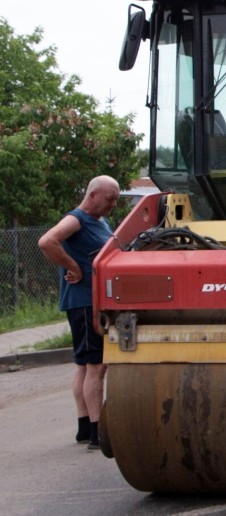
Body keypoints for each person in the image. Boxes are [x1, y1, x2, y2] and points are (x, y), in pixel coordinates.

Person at [38, 175, 120, 450]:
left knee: (84, 364)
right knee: (96, 365)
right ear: (93, 195)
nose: (113, 205)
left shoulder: (99, 221)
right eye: (110, 199)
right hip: (84, 303)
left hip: (89, 301)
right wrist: (74, 268)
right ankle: (97, 432)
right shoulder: (77, 219)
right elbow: (47, 242)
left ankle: (84, 426)